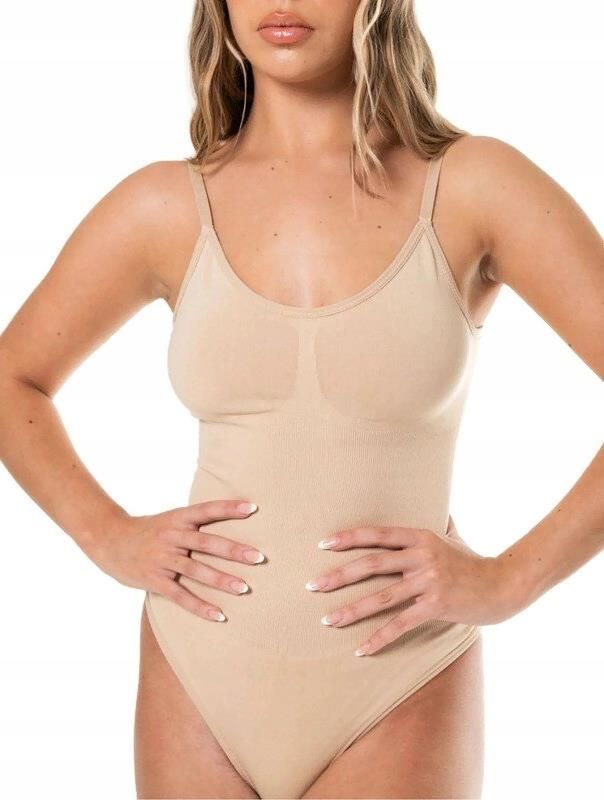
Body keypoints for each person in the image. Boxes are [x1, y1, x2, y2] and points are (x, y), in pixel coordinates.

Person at [1, 1, 602, 798]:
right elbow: (14, 377)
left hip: (397, 674)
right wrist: (105, 534)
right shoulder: (164, 205)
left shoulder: (472, 186)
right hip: (196, 670)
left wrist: (509, 580)